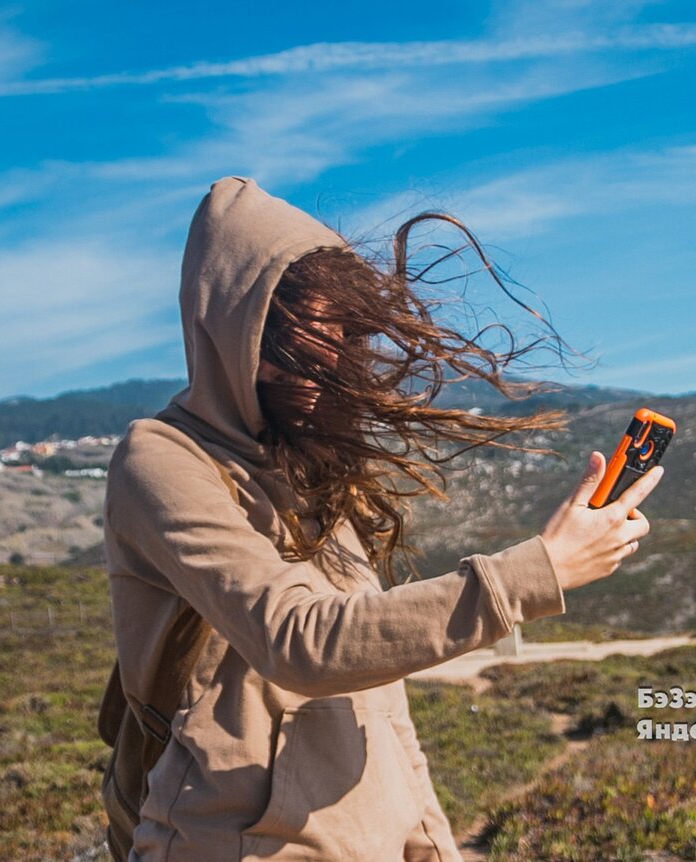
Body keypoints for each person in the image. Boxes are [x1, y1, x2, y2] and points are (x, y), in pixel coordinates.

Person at [102, 176, 663, 861]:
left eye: (342, 337)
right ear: (233, 334)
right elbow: (299, 642)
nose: (329, 367)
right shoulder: (162, 459)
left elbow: (381, 702)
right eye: (301, 347)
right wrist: (534, 573)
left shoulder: (314, 468)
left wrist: (432, 842)